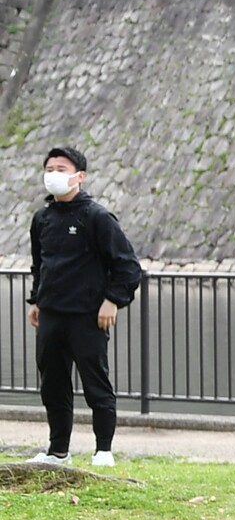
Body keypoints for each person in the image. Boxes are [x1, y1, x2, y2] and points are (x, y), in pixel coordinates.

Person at [26, 146, 145, 469]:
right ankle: (57, 451)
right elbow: (40, 264)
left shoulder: (97, 217)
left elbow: (128, 267)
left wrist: (113, 301)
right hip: (51, 313)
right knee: (53, 385)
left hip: (88, 315)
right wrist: (36, 299)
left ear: (80, 176)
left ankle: (103, 450)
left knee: (96, 383)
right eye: (49, 168)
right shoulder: (42, 218)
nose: (53, 174)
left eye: (61, 168)